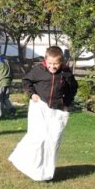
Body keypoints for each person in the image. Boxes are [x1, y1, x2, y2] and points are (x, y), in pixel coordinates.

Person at [9, 46, 78, 181]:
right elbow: (26, 81)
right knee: (38, 138)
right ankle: (30, 166)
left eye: (56, 64)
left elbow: (72, 88)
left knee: (53, 140)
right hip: (39, 107)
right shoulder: (39, 70)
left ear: (61, 62)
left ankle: (47, 171)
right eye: (50, 63)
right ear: (46, 61)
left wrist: (67, 103)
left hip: (57, 109)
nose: (53, 67)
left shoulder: (66, 73)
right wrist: (31, 94)